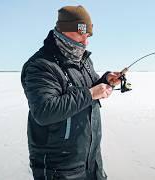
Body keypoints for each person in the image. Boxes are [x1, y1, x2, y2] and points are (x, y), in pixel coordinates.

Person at [21, 5, 120, 180]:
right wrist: (90, 94)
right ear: (64, 31)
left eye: (88, 36)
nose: (85, 41)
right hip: (58, 170)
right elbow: (44, 111)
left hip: (91, 162)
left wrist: (105, 80)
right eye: (81, 34)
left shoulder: (82, 59)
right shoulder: (41, 65)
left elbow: (87, 87)